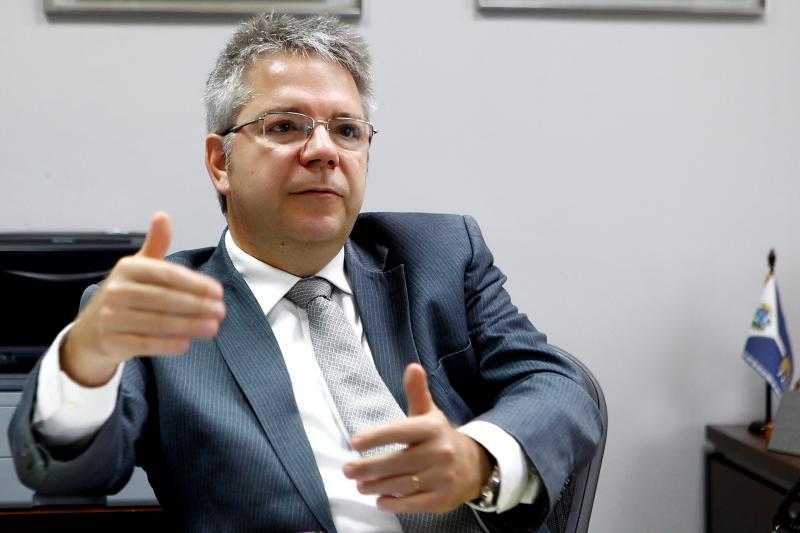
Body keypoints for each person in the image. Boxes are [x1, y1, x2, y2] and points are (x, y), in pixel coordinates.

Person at [8, 13, 602, 533]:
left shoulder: (441, 255)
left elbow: (557, 385)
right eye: (285, 126)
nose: (324, 151)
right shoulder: (161, 310)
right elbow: (68, 474)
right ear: (220, 162)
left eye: (347, 130)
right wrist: (84, 362)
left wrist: (478, 459)